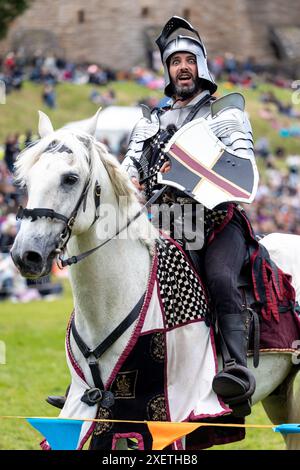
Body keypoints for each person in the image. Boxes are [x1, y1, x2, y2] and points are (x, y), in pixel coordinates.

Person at [122, 16, 258, 417]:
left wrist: (181, 175)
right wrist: (131, 185)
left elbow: (242, 167)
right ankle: (100, 380)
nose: (182, 67)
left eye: (188, 60)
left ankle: (235, 370)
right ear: (167, 71)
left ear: (201, 66)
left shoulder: (224, 114)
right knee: (121, 280)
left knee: (218, 278)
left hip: (216, 224)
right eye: (174, 61)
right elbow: (129, 172)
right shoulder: (151, 123)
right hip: (165, 227)